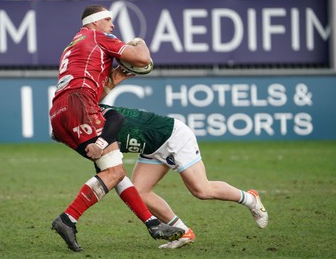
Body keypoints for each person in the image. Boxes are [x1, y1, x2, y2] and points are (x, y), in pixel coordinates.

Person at [49, 4, 184, 252]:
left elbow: (96, 89)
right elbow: (143, 58)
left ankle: (153, 224)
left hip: (60, 112)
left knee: (114, 170)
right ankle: (67, 219)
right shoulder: (98, 35)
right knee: (116, 122)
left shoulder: (74, 45)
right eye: (109, 20)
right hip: (79, 102)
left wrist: (116, 78)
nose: (113, 26)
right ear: (95, 22)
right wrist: (138, 41)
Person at [87, 104, 269, 249]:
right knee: (139, 192)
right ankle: (183, 232)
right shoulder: (85, 124)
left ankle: (250, 199)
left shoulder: (96, 115)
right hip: (151, 148)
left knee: (201, 190)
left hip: (173, 137)